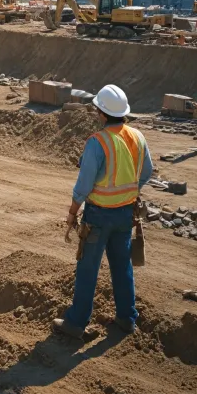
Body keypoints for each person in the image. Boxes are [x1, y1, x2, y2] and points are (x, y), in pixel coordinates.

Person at [53, 84, 153, 339]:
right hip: (125, 215)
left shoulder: (98, 142)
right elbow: (147, 171)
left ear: (101, 113)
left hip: (98, 216)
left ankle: (76, 322)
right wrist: (130, 191)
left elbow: (84, 184)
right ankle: (126, 318)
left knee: (88, 268)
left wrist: (73, 212)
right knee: (122, 266)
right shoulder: (137, 137)